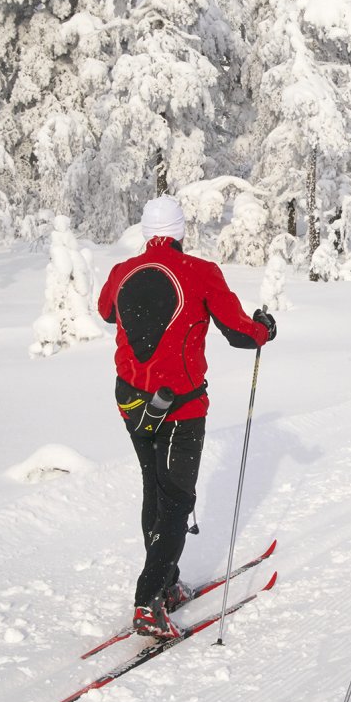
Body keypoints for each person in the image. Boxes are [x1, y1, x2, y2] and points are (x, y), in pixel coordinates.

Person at [98, 196, 275, 639]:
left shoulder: (122, 272)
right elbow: (239, 333)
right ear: (181, 232)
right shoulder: (200, 272)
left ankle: (167, 582)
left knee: (154, 489)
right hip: (180, 404)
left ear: (146, 231)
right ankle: (148, 600)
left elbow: (105, 310)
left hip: (132, 401)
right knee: (175, 499)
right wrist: (264, 329)